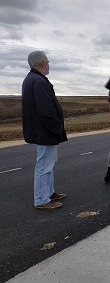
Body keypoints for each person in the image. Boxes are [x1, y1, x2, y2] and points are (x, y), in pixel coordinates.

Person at [22, 51, 68, 209]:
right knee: (44, 165)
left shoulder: (33, 79)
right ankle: (41, 200)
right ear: (42, 63)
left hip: (43, 130)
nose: (49, 63)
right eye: (47, 61)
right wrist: (57, 127)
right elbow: (45, 111)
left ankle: (49, 192)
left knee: (49, 163)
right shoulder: (38, 81)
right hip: (45, 130)